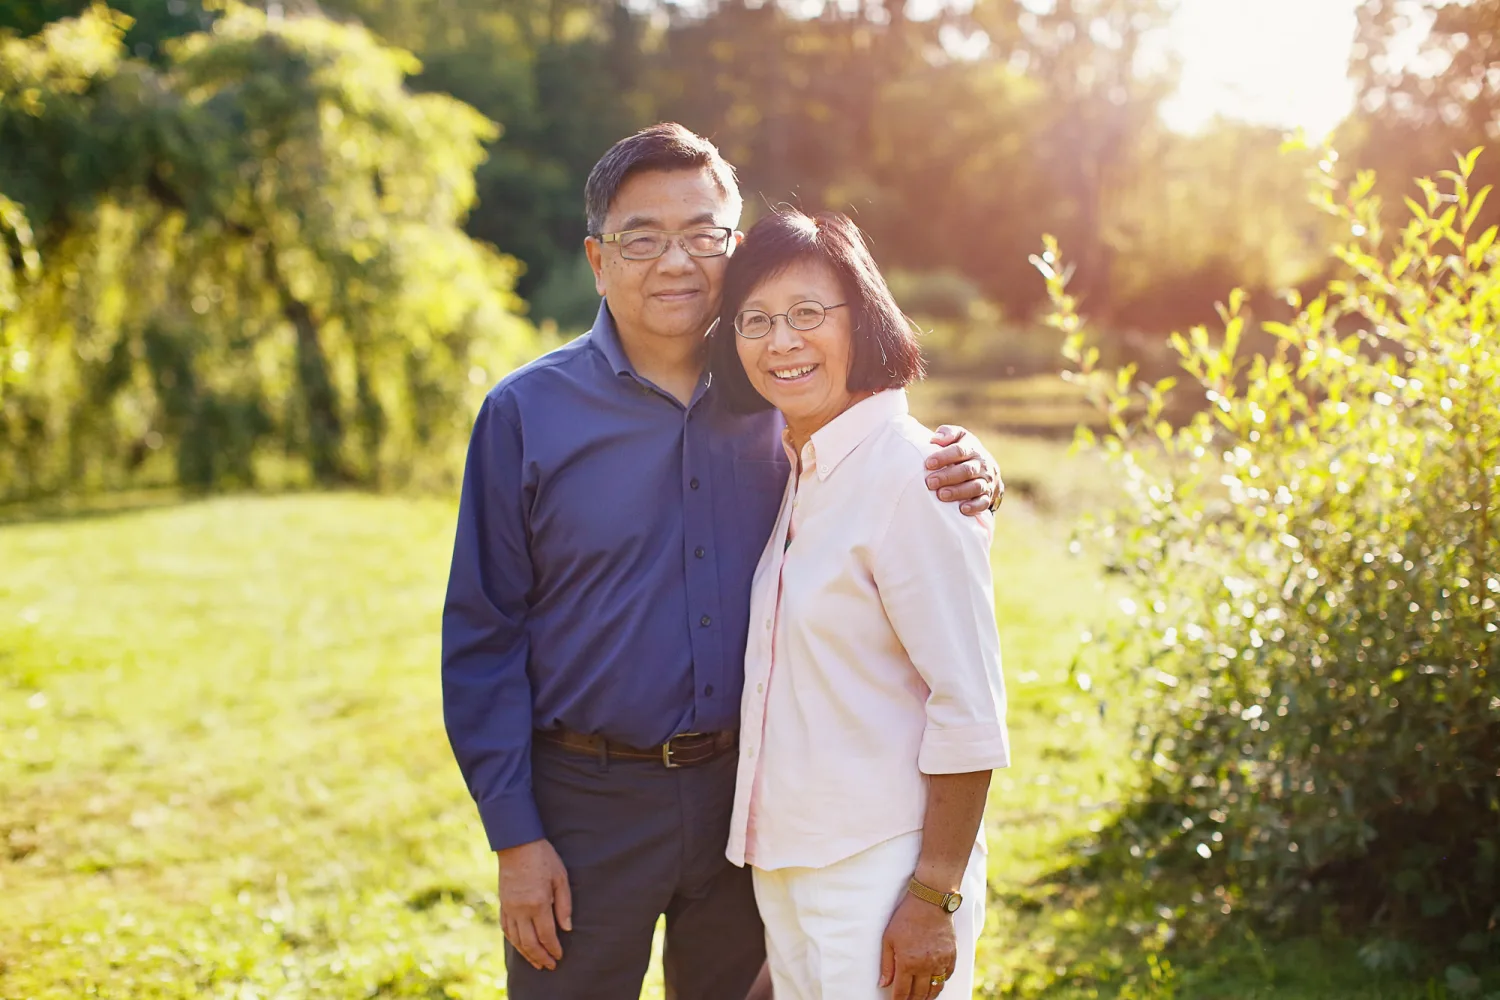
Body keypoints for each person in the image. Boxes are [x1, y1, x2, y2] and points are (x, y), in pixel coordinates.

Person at [441, 123, 1002, 1000]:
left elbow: (885, 464)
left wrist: (972, 466)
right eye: (642, 237)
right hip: (584, 802)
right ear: (597, 257)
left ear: (734, 249)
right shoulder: (525, 414)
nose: (676, 261)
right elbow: (483, 634)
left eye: (702, 234)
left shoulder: (782, 391)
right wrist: (516, 837)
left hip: (748, 800)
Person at [710, 209, 1010, 1000]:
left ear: (863, 318)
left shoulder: (914, 474)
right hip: (797, 869)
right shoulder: (805, 467)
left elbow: (969, 706)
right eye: (757, 320)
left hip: (885, 873)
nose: (782, 342)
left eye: (809, 314)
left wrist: (931, 897)